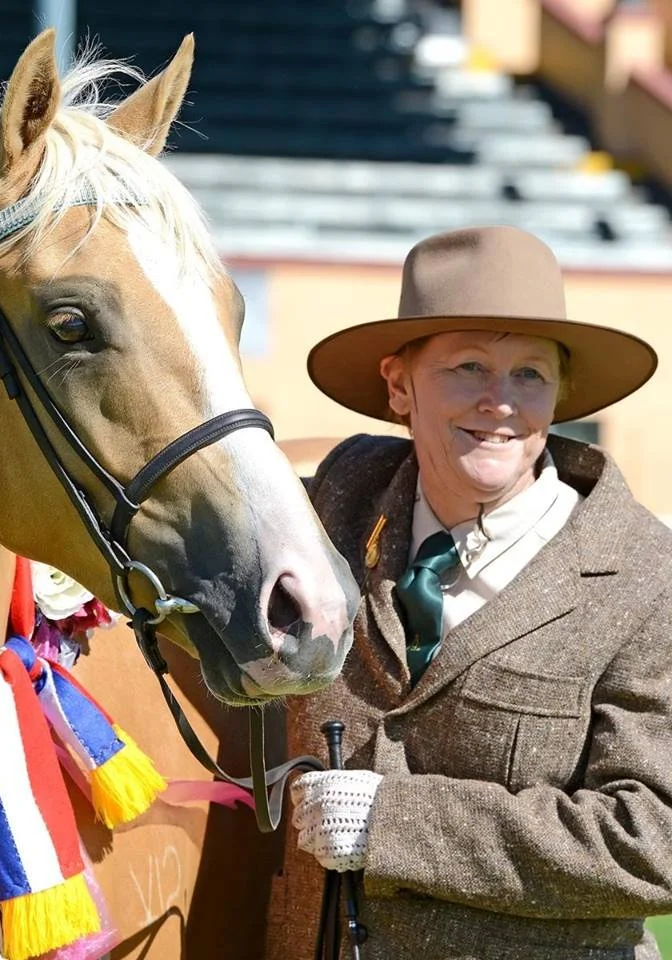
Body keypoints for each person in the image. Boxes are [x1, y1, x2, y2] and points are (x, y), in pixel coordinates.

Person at [266, 225, 672, 960]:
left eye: (530, 375)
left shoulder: (646, 578)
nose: (500, 402)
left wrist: (395, 823)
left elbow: (656, 841)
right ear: (397, 385)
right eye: (469, 367)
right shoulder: (339, 501)